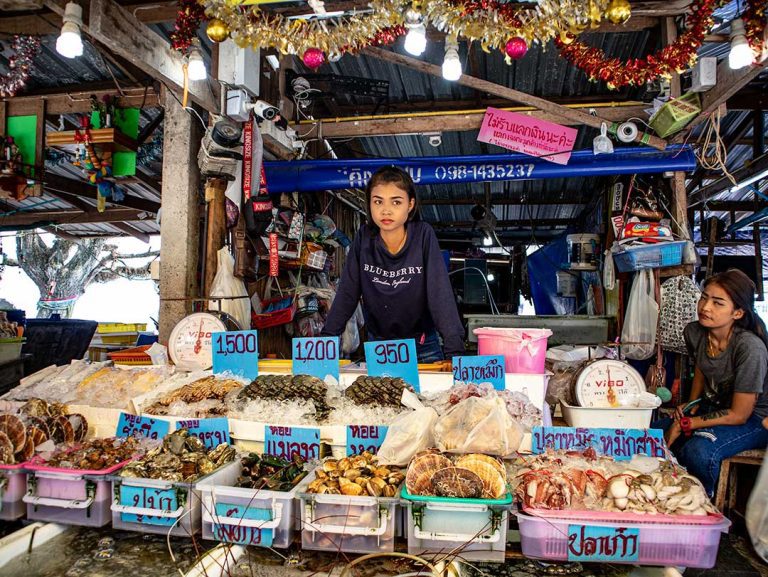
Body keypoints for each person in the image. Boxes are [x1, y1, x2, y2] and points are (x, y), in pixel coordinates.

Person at [321, 166, 465, 362]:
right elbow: (347, 292)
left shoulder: (423, 235)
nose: (386, 210)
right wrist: (326, 340)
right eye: (378, 201)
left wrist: (454, 351)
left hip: (423, 348)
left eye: (396, 202)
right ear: (369, 203)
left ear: (410, 204)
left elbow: (439, 293)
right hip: (380, 349)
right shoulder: (364, 238)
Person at [654, 269, 768, 497]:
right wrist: (692, 403)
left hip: (754, 419)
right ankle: (662, 492)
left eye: (718, 303)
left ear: (737, 313)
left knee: (698, 451)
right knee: (652, 434)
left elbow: (739, 414)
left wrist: (686, 424)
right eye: (704, 297)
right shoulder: (694, 332)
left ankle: (702, 501)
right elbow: (702, 367)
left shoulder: (749, 348)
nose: (705, 307)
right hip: (716, 407)